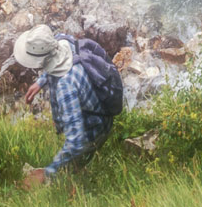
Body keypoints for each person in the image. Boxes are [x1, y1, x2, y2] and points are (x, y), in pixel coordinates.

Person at [14, 25, 122, 187]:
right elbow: (54, 62)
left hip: (95, 128)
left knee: (71, 170)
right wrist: (41, 82)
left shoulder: (66, 87)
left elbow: (76, 141)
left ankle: (82, 189)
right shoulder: (63, 41)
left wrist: (47, 172)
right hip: (99, 106)